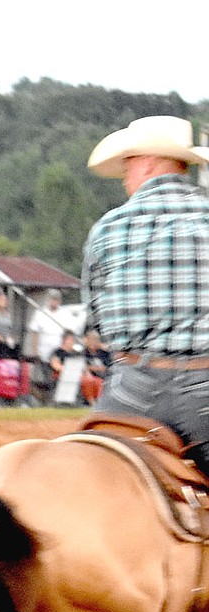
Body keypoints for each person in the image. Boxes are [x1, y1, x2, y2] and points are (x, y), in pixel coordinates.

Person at [82, 115, 209, 471]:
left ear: (149, 162)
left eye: (128, 163)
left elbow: (98, 321)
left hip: (129, 391)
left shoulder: (107, 228)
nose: (124, 173)